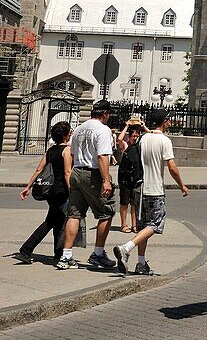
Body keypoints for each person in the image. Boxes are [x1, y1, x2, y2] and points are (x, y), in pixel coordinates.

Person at [113, 108, 188, 276]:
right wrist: (182, 185)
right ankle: (126, 248)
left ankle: (141, 264)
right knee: (155, 224)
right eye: (168, 120)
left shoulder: (142, 139)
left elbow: (147, 139)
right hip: (155, 190)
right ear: (164, 122)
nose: (169, 122)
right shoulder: (165, 141)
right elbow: (172, 167)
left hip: (140, 188)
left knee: (143, 227)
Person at [57, 100, 117, 270]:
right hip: (92, 174)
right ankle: (98, 253)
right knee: (106, 212)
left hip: (77, 171)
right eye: (108, 115)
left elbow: (73, 153)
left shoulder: (79, 129)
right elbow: (102, 157)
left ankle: (66, 256)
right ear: (105, 113)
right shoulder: (102, 130)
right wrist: (106, 180)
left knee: (74, 214)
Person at [15, 121, 73, 264]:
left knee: (58, 221)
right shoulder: (66, 151)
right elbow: (67, 172)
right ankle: (26, 250)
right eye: (69, 132)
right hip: (61, 191)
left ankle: (58, 253)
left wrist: (28, 186)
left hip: (50, 190)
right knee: (50, 222)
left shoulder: (50, 150)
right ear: (66, 135)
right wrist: (72, 191)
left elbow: (39, 170)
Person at [117, 121, 144, 232]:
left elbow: (151, 134)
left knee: (134, 202)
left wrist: (143, 127)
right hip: (125, 177)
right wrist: (127, 126)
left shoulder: (139, 146)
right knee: (124, 202)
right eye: (133, 136)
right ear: (129, 136)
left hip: (135, 177)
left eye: (137, 136)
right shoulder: (126, 145)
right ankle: (124, 224)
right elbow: (119, 139)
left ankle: (134, 224)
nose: (135, 138)